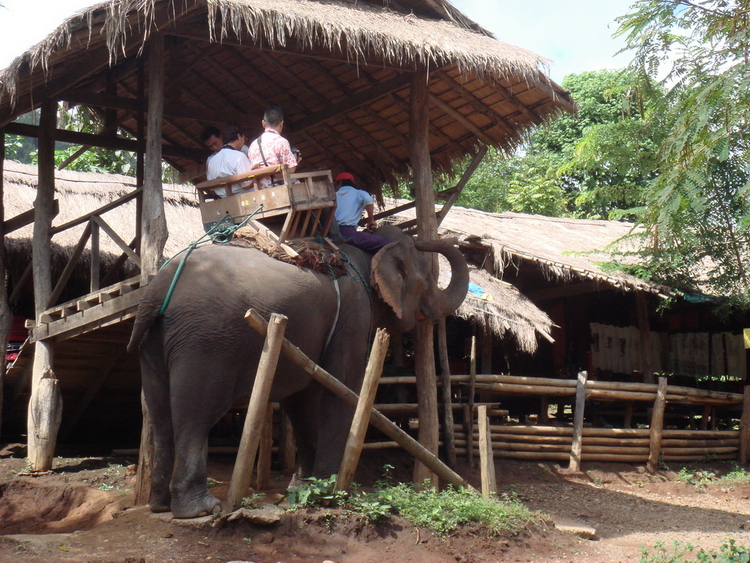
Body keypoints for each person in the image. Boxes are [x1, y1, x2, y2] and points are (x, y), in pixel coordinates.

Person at [334, 172, 391, 252]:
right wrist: (371, 220)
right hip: (347, 233)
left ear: (339, 183)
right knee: (388, 244)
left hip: (330, 233)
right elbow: (368, 200)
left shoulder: (333, 195)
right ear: (352, 183)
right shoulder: (358, 193)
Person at [248, 105, 299, 189]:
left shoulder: (253, 145)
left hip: (261, 190)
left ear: (263, 123)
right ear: (281, 124)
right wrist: (295, 158)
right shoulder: (281, 142)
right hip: (279, 188)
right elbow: (291, 169)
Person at [206, 122, 252, 198]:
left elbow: (211, 187)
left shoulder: (211, 162)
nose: (244, 141)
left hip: (224, 199)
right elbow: (246, 185)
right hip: (245, 197)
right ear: (239, 136)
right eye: (244, 138)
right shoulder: (239, 156)